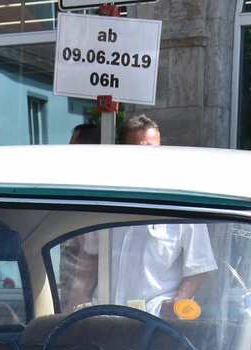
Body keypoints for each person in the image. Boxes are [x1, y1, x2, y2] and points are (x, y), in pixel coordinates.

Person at [69, 115, 215, 316]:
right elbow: (90, 256)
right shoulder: (105, 199)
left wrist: (178, 302)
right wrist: (77, 297)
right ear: (122, 151)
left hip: (153, 322)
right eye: (139, 149)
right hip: (103, 319)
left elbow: (200, 265)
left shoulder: (180, 203)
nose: (148, 156)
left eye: (154, 148)